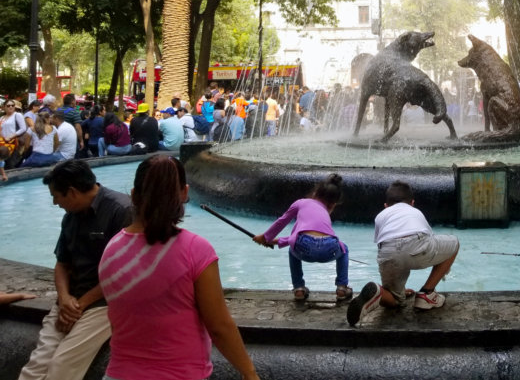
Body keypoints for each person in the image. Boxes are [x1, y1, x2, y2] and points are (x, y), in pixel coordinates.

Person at [98, 155, 260, 380]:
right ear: (184, 193)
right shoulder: (196, 250)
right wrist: (249, 372)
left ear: (133, 195)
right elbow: (219, 326)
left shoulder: (112, 249)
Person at [17, 160, 132, 380]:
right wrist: (64, 297)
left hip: (104, 304)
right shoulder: (71, 215)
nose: (54, 202)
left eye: (55, 196)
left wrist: (79, 305)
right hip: (72, 300)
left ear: (71, 192)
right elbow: (62, 263)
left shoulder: (122, 211)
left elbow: (124, 275)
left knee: (62, 367)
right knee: (35, 367)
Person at [347, 180, 459, 326]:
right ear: (412, 203)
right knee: (454, 243)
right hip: (417, 246)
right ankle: (427, 293)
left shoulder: (381, 215)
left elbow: (384, 245)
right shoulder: (415, 211)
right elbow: (430, 240)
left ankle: (378, 292)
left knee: (395, 300)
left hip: (388, 252)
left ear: (386, 206)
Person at [253, 173, 351, 303]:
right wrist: (270, 240)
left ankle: (299, 288)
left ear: (315, 192)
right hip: (329, 247)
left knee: (293, 249)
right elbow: (308, 237)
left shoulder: (301, 203)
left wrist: (266, 237)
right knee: (344, 249)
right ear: (333, 204)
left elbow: (283, 222)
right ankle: (342, 288)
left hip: (303, 247)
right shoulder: (324, 214)